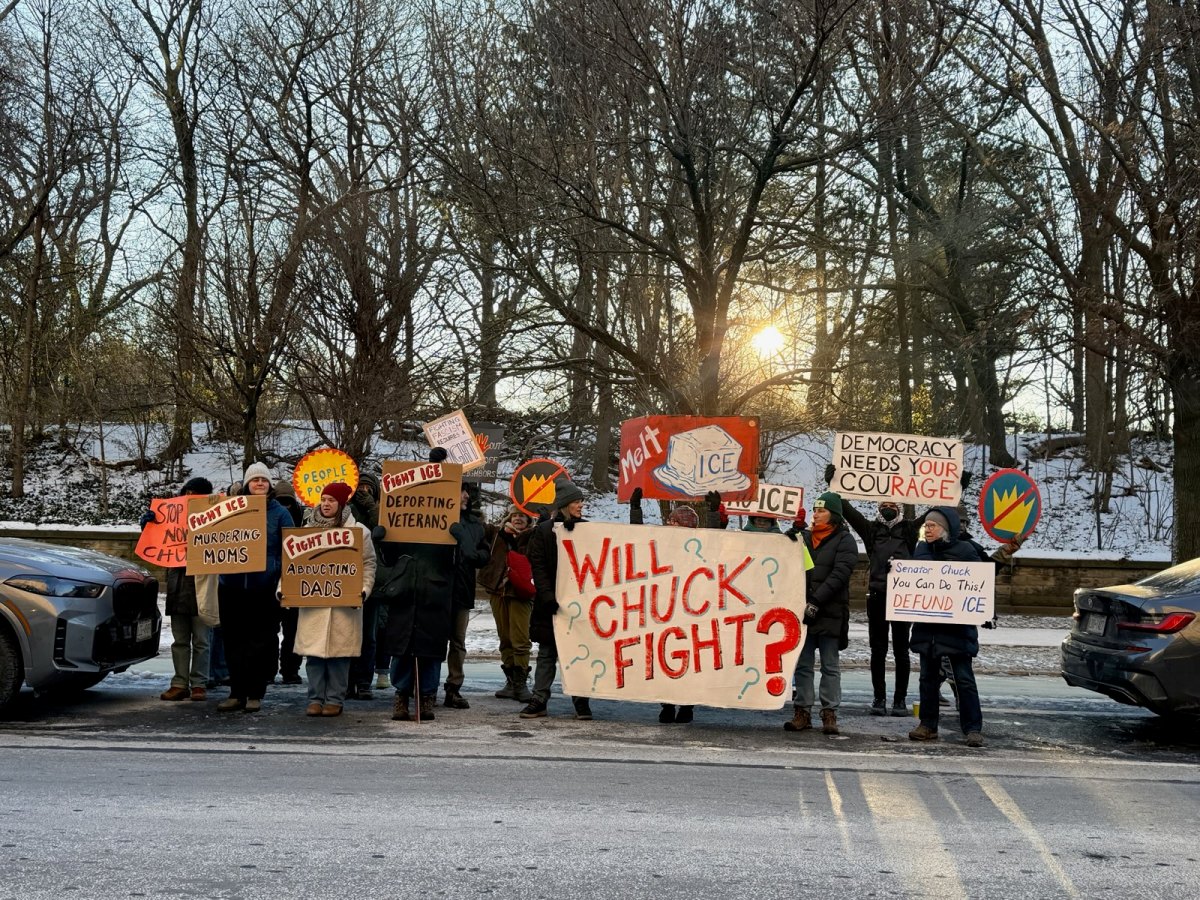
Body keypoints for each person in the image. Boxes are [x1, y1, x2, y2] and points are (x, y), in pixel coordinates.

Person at [908, 506, 1019, 747]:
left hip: (957, 629)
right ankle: (927, 725)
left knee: (964, 679)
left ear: (945, 528)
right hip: (928, 628)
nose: (927, 529)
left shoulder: (966, 550)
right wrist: (894, 572)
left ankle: (972, 728)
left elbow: (983, 579)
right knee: (927, 679)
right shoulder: (921, 549)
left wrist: (986, 612)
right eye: (926, 525)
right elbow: (911, 580)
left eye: (932, 525)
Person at [380, 448, 464, 723]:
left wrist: (459, 539)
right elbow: (390, 558)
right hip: (406, 591)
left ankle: (427, 695)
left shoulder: (450, 521)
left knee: (430, 650)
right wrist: (383, 540)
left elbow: (461, 560)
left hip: (435, 592)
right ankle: (402, 695)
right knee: (402, 650)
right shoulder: (404, 522)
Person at [629, 488, 724, 724]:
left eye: (676, 523)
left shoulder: (699, 549)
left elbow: (715, 543)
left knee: (690, 659)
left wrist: (714, 513)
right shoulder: (660, 546)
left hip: (692, 612)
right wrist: (635, 509)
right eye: (671, 521)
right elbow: (636, 540)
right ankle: (668, 704)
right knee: (666, 657)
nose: (671, 525)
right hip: (666, 611)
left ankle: (687, 705)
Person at [292, 482, 377, 717]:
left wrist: (363, 590)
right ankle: (315, 698)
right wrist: (284, 589)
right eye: (323, 499)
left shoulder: (359, 532)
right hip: (314, 605)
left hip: (344, 605)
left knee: (339, 657)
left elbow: (368, 564)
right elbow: (293, 566)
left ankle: (334, 699)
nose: (326, 504)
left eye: (331, 500)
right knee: (314, 657)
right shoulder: (306, 531)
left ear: (341, 503)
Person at [216, 462, 293, 713]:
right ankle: (236, 692)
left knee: (260, 641)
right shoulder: (228, 510)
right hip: (231, 585)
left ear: (269, 484)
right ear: (247, 484)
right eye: (254, 480)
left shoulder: (280, 513)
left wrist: (275, 569)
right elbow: (203, 533)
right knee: (233, 640)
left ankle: (255, 693)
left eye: (263, 480)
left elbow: (292, 548)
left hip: (264, 587)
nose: (259, 483)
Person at [784, 492, 858, 736]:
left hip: (830, 612)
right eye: (815, 510)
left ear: (833, 515)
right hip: (804, 612)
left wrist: (816, 601)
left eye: (821, 510)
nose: (815, 514)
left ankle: (829, 712)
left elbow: (840, 574)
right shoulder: (804, 538)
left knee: (830, 665)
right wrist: (788, 539)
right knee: (803, 665)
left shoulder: (845, 540)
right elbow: (790, 564)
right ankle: (802, 711)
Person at [841, 498, 922, 716]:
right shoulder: (871, 530)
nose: (887, 508)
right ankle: (879, 698)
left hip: (902, 597)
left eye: (892, 505)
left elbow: (933, 514)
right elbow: (850, 512)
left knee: (901, 651)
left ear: (900, 508)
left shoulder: (909, 530)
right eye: (883, 505)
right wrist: (836, 487)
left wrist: (954, 490)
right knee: (878, 650)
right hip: (877, 596)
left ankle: (900, 700)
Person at [521, 479, 589, 720]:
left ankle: (581, 701)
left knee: (579, 654)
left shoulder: (588, 530)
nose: (581, 505)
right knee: (547, 653)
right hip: (550, 603)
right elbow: (537, 566)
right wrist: (548, 596)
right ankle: (539, 699)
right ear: (565, 504)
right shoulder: (543, 531)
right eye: (576, 501)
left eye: (581, 501)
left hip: (579, 605)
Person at [145, 476, 214, 702]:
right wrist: (149, 525)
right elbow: (155, 540)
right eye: (189, 492)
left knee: (202, 641)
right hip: (178, 585)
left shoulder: (214, 519)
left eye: (197, 493)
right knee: (180, 640)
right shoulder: (172, 517)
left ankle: (199, 684)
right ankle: (180, 683)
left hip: (202, 586)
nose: (191, 496)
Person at [478, 505, 535, 702]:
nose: (518, 518)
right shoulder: (496, 534)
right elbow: (478, 526)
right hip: (498, 592)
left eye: (522, 516)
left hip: (520, 594)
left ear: (528, 520)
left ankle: (521, 684)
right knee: (505, 639)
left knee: (520, 640)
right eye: (514, 515)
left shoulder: (532, 537)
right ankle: (511, 682)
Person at [444, 482, 490, 709]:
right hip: (437, 589)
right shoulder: (436, 519)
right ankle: (424, 687)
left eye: (466, 492)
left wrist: (476, 556)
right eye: (460, 491)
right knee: (431, 639)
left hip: (462, 588)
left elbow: (484, 552)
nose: (465, 496)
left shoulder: (475, 524)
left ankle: (453, 687)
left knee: (458, 641)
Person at [348, 472, 383, 699]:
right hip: (347, 578)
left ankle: (364, 682)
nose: (363, 491)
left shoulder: (380, 510)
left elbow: (385, 531)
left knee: (369, 636)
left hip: (373, 581)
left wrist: (372, 507)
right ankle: (347, 681)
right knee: (347, 633)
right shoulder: (347, 511)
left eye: (368, 488)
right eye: (360, 487)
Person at [273, 478, 305, 686]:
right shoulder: (269, 517)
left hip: (296, 580)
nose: (285, 507)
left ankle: (290, 669)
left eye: (288, 503)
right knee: (269, 631)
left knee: (293, 630)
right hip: (272, 578)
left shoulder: (303, 519)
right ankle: (270, 669)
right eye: (281, 502)